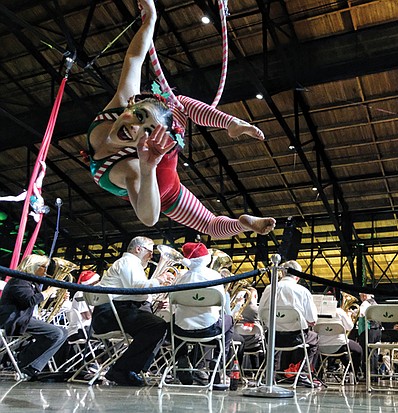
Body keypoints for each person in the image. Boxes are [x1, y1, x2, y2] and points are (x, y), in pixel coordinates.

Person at [86, 0, 275, 238]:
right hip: (158, 167)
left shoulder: (131, 167)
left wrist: (147, 169)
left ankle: (231, 126)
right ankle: (244, 222)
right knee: (178, 103)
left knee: (179, 104)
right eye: (138, 117)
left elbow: (149, 218)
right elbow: (134, 57)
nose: (134, 128)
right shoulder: (121, 102)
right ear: (131, 104)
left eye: (145, 130)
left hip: (157, 175)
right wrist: (151, 17)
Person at [91, 236, 173, 386]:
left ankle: (129, 369)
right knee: (157, 326)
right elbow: (136, 287)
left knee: (158, 327)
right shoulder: (129, 262)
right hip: (110, 314)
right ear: (138, 249)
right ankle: (122, 370)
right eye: (150, 251)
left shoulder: (131, 264)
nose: (152, 255)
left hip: (115, 312)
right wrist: (159, 280)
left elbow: (137, 293)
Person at [172, 242, 235, 388]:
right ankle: (217, 362)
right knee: (229, 320)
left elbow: (174, 304)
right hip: (209, 329)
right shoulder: (214, 275)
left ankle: (182, 357)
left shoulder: (181, 278)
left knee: (172, 321)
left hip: (181, 330)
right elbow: (221, 305)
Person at [0, 254, 68, 380]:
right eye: (44, 267)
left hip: (24, 319)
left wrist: (59, 298)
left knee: (63, 332)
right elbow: (29, 301)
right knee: (56, 333)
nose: (46, 271)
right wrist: (50, 291)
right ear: (33, 267)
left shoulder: (30, 283)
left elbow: (37, 302)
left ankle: (25, 362)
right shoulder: (18, 281)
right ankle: (30, 367)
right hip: (14, 319)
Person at [258, 260, 319, 382]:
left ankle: (272, 374)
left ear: (282, 273)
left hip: (272, 337)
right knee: (314, 337)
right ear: (297, 276)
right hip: (295, 338)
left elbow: (261, 314)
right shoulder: (302, 291)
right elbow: (312, 319)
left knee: (277, 342)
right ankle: (301, 373)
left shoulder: (269, 289)